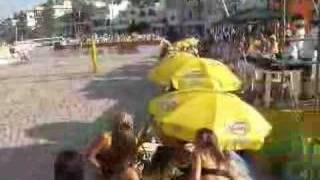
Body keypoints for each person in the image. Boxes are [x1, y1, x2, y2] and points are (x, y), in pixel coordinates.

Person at [83, 111, 140, 180]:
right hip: (105, 165)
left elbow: (130, 157)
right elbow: (90, 156)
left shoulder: (131, 139)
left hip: (118, 165)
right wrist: (102, 169)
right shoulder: (106, 138)